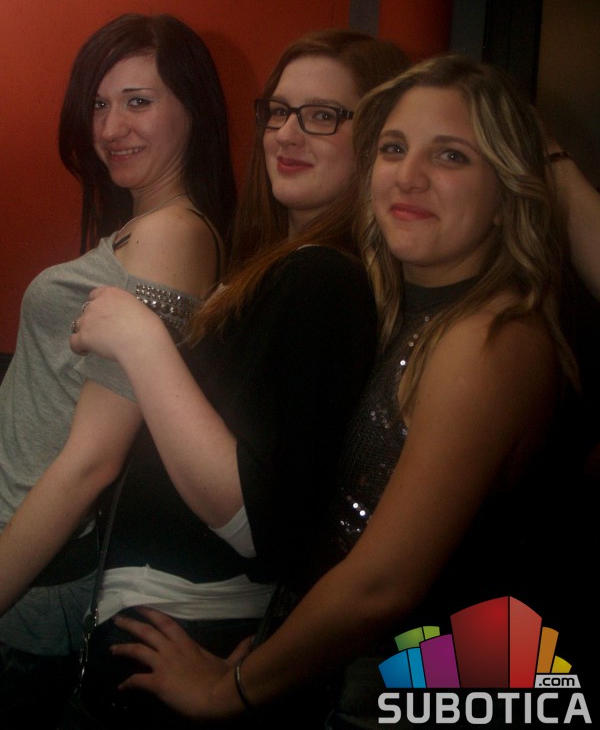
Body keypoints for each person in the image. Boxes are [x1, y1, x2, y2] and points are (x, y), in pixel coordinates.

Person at [102, 54, 585, 727]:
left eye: (450, 156)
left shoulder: (493, 337)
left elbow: (381, 586)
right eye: (393, 148)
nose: (408, 176)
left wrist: (227, 690)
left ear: (508, 189)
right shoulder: (405, 310)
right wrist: (275, 654)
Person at [0, 29, 411, 728]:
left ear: (375, 138)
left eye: (323, 116)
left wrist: (140, 340)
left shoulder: (319, 276)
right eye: (278, 112)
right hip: (144, 612)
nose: (288, 133)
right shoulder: (284, 263)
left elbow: (258, 521)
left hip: (149, 614)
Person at [0, 12, 236, 726]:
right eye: (100, 105)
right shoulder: (144, 229)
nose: (109, 128)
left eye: (138, 101)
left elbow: (93, 460)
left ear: (193, 109)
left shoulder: (173, 236)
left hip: (29, 571)